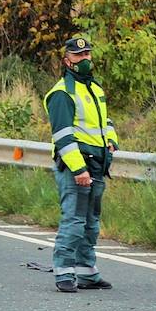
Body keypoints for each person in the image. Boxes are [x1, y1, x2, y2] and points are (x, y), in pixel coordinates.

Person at [43, 36, 118, 292]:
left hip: (97, 164)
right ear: (67, 61)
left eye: (87, 55)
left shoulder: (95, 89)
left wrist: (111, 141)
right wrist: (79, 169)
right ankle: (64, 272)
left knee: (91, 223)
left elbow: (105, 122)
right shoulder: (62, 93)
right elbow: (63, 136)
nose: (84, 60)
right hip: (78, 166)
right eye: (78, 56)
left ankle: (86, 272)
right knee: (74, 221)